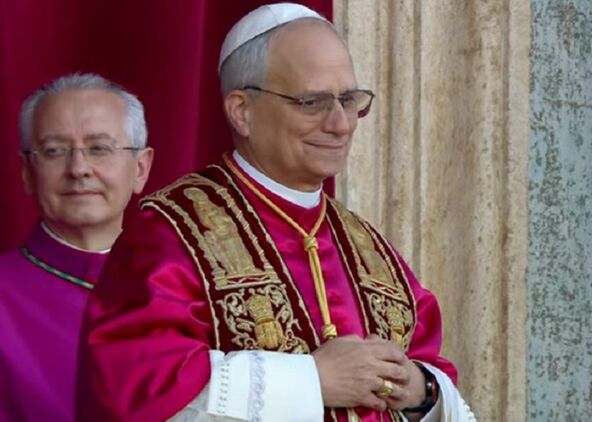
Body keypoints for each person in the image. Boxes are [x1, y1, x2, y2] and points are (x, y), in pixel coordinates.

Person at [77, 3, 475, 421]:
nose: (341, 124)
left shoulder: (370, 248)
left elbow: (433, 371)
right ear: (242, 111)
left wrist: (421, 392)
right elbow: (137, 390)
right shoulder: (170, 234)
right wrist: (311, 381)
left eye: (348, 100)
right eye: (312, 102)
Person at [0, 73, 154, 421]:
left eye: (99, 148)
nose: (79, 169)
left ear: (141, 168)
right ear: (27, 172)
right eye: (55, 151)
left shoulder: (189, 285)